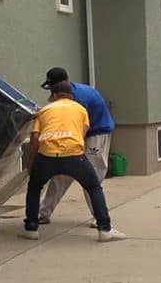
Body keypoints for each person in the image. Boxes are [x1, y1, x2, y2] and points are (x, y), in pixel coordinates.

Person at [21, 82, 125, 242]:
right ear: (70, 95)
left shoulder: (43, 111)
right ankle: (105, 229)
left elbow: (35, 138)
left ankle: (31, 228)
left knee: (34, 186)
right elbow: (82, 134)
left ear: (54, 96)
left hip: (47, 154)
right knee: (93, 186)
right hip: (73, 155)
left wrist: (31, 162)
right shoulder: (81, 109)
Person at [38, 67, 114, 227]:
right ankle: (44, 213)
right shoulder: (67, 95)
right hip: (79, 134)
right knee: (60, 175)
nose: (52, 93)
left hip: (96, 133)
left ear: (61, 85)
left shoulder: (77, 100)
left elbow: (79, 128)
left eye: (53, 88)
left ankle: (98, 216)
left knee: (92, 177)